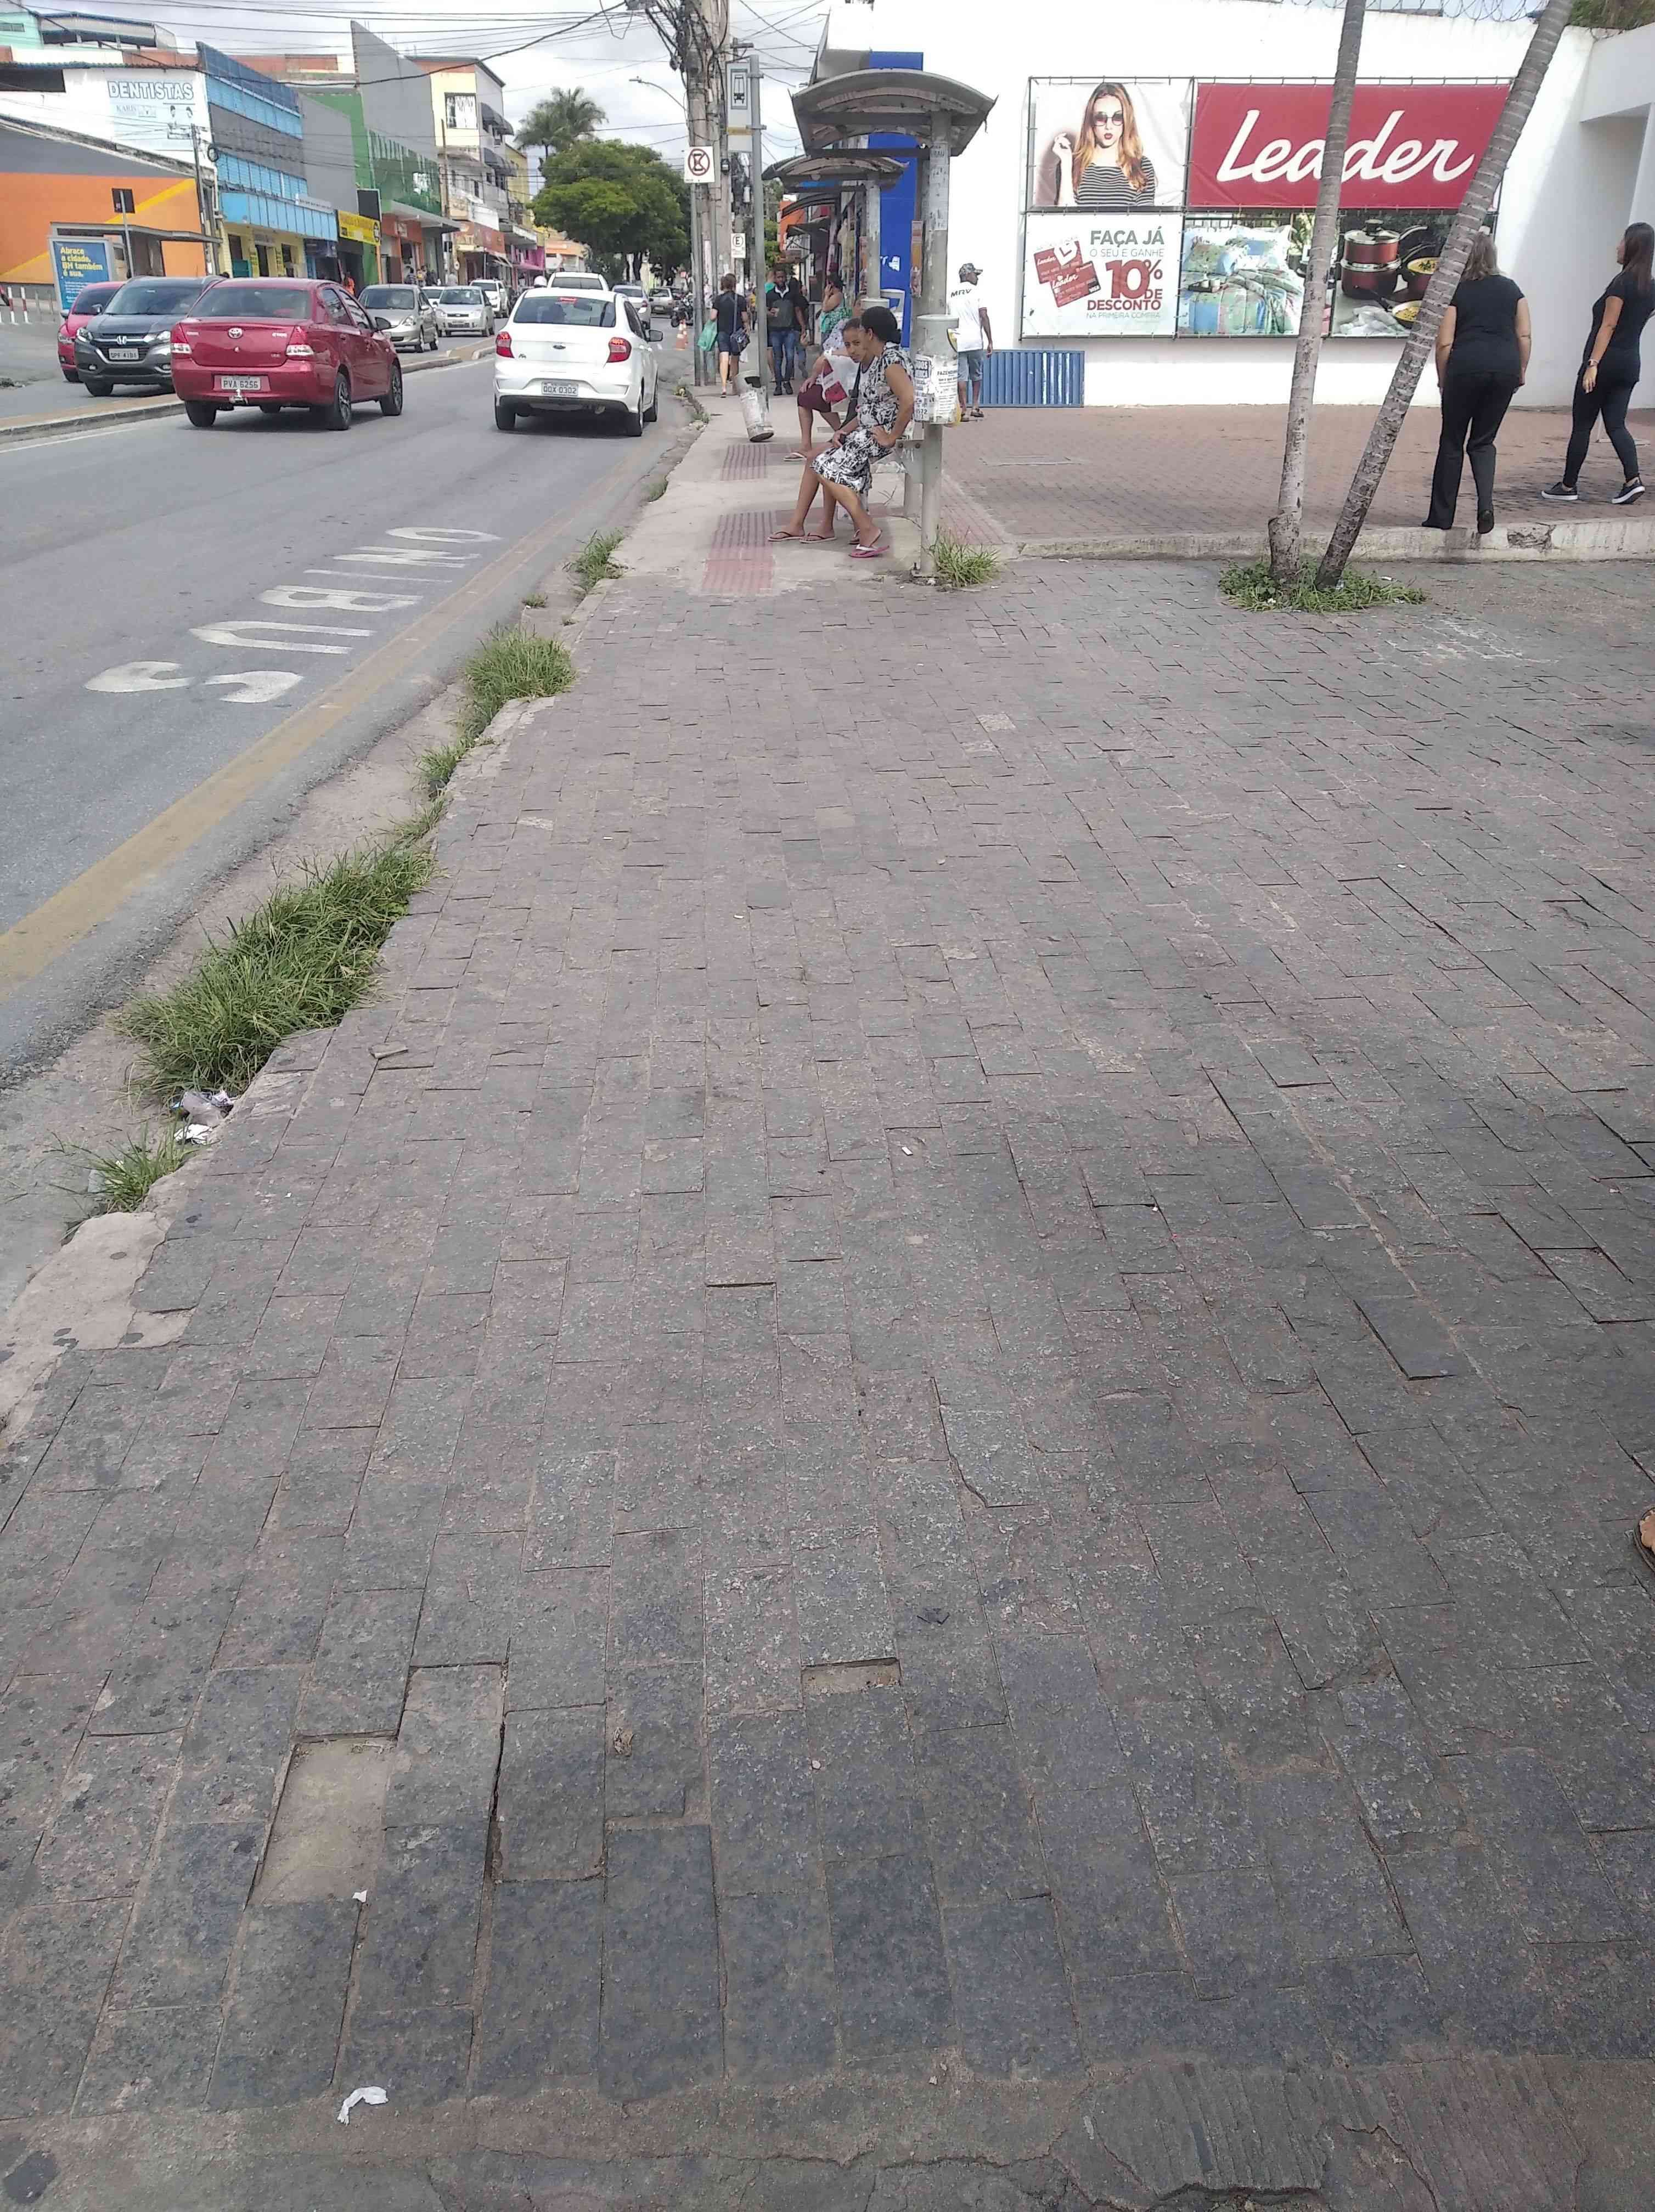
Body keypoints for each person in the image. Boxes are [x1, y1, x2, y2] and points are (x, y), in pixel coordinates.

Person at [1423, 232, 1529, 534]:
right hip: (1505, 369)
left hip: (1466, 368)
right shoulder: (1513, 290)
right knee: (1483, 441)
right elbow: (1524, 335)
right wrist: (1521, 370)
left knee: (1452, 440)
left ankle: (1442, 516)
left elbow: (1445, 343)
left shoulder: (1457, 291)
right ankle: (1485, 506)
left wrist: (1443, 379)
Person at [1544, 222, 1654, 505]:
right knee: (1616, 425)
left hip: (1605, 363)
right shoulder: (1650, 287)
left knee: (1583, 424)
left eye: (1622, 241)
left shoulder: (1621, 284)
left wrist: (1593, 364)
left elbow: (1609, 325)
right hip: (1629, 363)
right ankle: (1633, 480)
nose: (1618, 246)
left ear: (1633, 247)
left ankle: (1568, 485)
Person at [807, 304, 913, 557]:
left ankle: (867, 528)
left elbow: (909, 400)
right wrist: (844, 430)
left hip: (880, 433)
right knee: (824, 460)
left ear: (870, 334)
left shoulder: (891, 361)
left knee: (823, 466)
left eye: (862, 332)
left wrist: (892, 437)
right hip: (869, 429)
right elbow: (869, 406)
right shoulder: (881, 360)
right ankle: (860, 527)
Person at [1038, 82, 1157, 208]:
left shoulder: (1141, 167)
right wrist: (1067, 164)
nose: (1109, 126)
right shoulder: (1073, 166)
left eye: (1117, 117)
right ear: (1091, 121)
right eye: (1101, 118)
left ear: (1127, 120)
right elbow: (1064, 217)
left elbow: (1146, 219)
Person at [792, 307, 857, 458]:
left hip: (853, 379)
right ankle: (809, 445)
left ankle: (843, 434)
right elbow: (826, 353)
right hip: (833, 377)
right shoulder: (842, 325)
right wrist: (814, 377)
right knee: (808, 396)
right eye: (859, 304)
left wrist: (833, 355)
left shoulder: (867, 331)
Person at [949, 261, 993, 420]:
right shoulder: (977, 292)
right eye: (975, 274)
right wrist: (990, 341)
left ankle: (963, 410)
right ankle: (976, 406)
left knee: (961, 376)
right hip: (974, 341)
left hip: (958, 342)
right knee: (976, 374)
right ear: (968, 275)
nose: (977, 278)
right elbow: (984, 316)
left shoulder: (951, 294)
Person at [765, 264, 802, 393]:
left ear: (786, 278)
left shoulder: (792, 294)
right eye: (778, 277)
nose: (781, 280)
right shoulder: (770, 295)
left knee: (790, 357)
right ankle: (779, 384)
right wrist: (769, 313)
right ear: (775, 279)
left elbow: (798, 311)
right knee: (778, 358)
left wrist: (803, 327)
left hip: (789, 330)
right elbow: (764, 311)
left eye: (782, 277)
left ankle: (787, 381)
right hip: (775, 331)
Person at [713, 272, 747, 396]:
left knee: (724, 358)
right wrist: (747, 328)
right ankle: (735, 388)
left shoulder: (718, 299)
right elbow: (745, 318)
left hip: (722, 332)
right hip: (736, 333)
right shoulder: (741, 299)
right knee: (735, 359)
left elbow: (713, 317)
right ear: (734, 284)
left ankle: (723, 387)